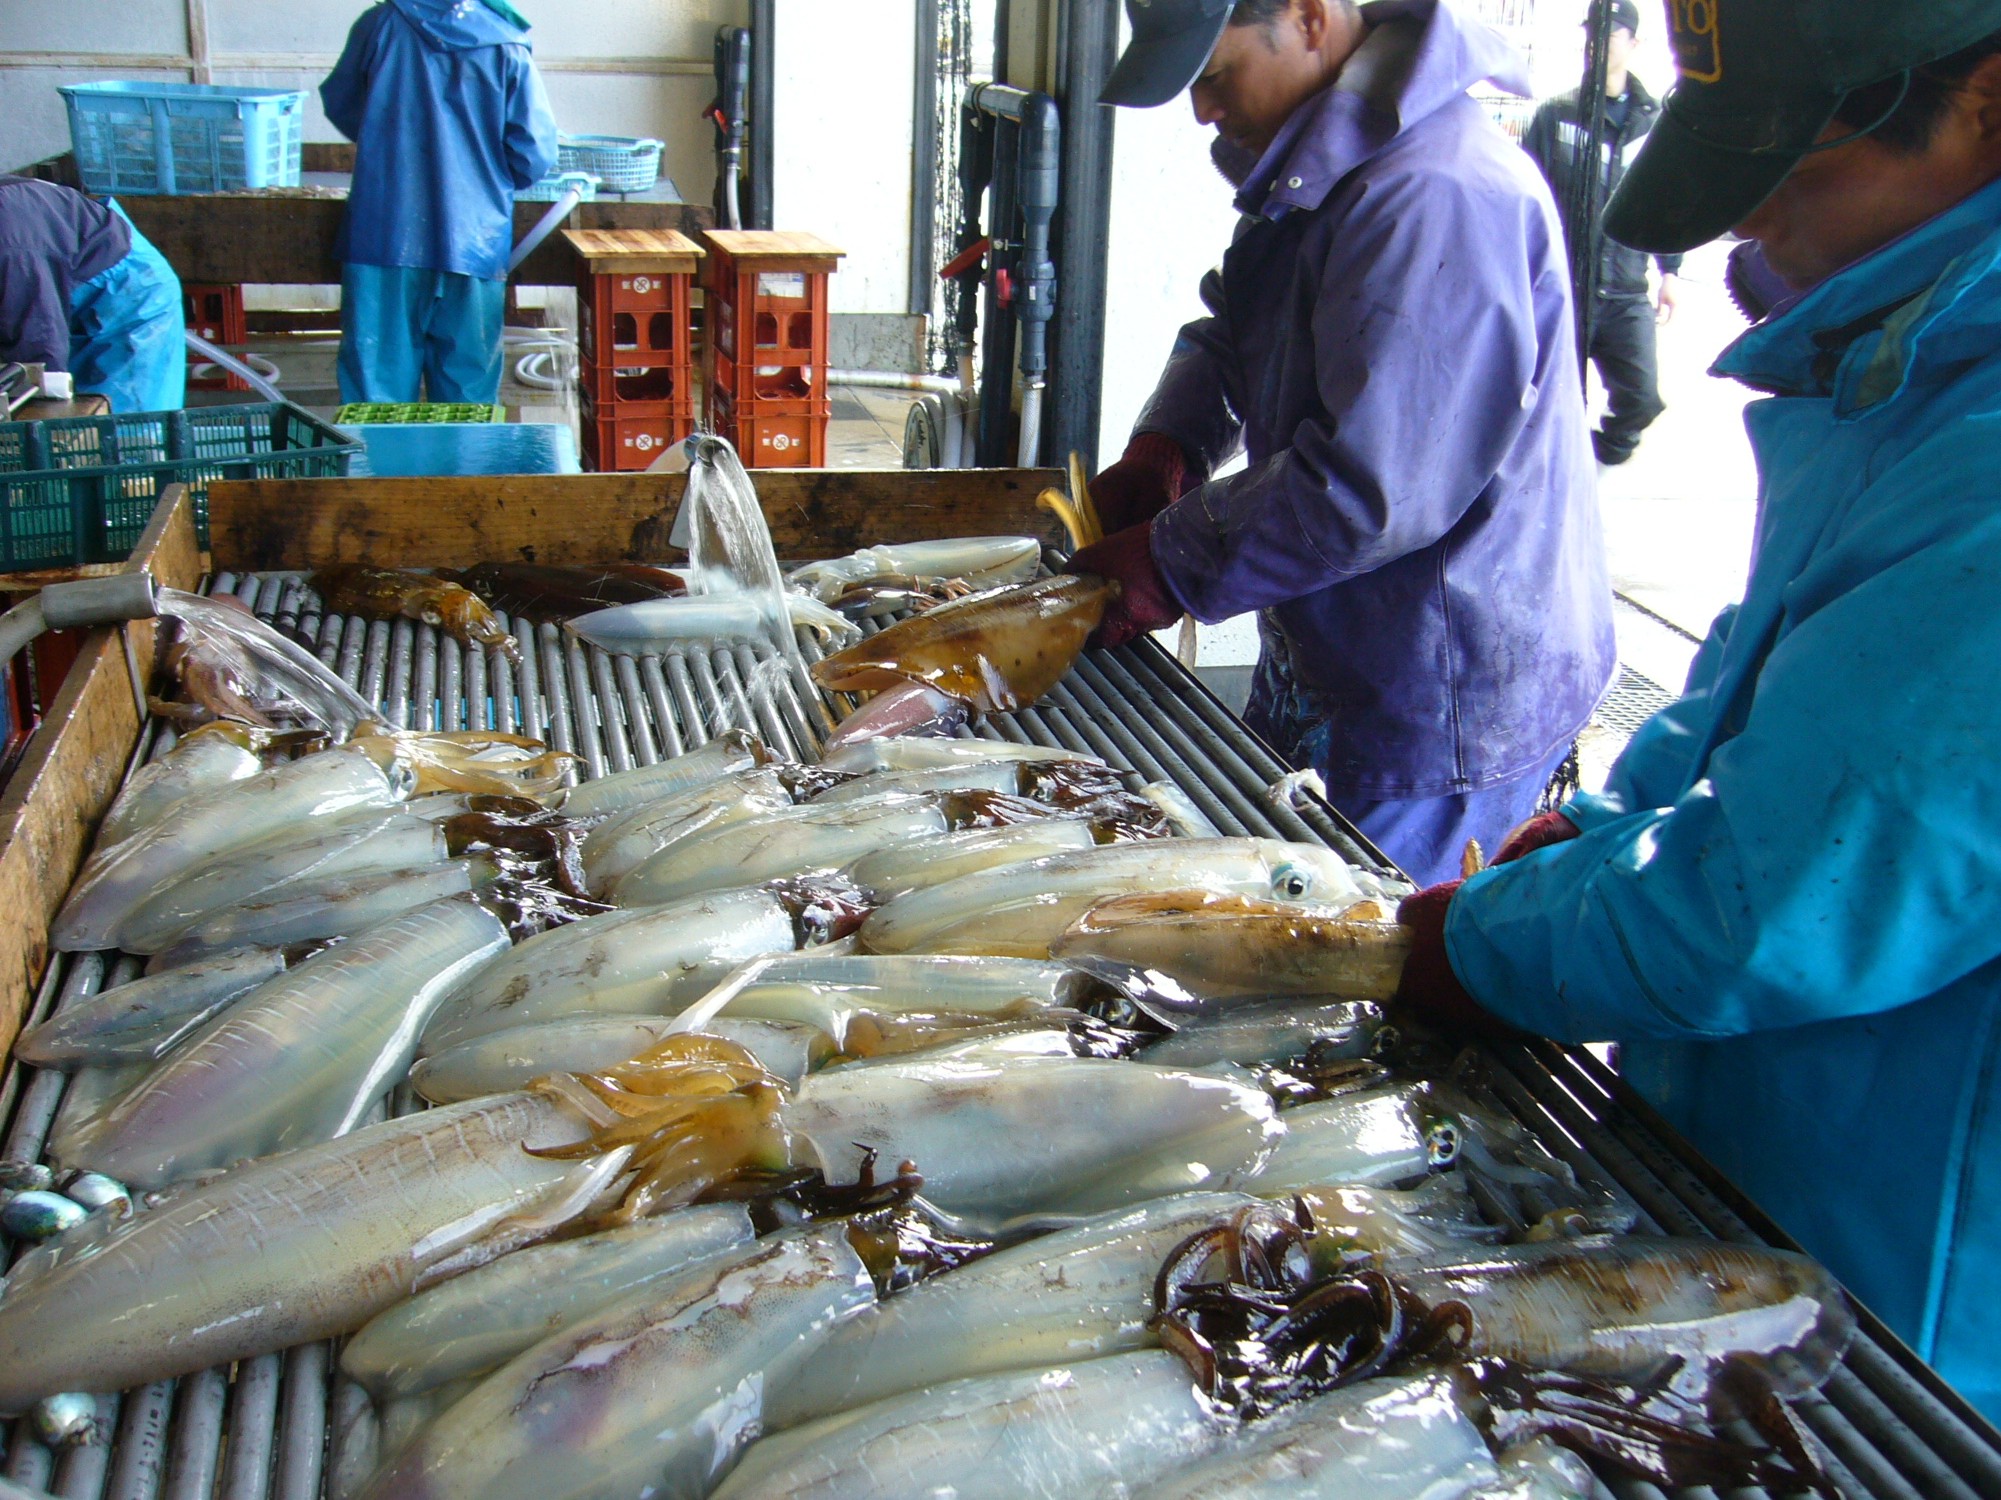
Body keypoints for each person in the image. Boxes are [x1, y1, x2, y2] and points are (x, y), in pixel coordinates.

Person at [1396, 0, 2001, 1423]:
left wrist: (1474, 950)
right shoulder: (1902, 373)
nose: (1748, 218)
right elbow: (1757, 679)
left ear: (1986, 100)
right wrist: (1600, 830)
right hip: (1756, 1183)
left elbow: (1783, 892)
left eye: (1792, 158)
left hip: (1902, 1290)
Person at [1075, 0, 1616, 887]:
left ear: (1308, 16)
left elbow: (1371, 488)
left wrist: (1171, 560)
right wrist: (1168, 441)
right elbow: (1235, 325)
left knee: (1354, 971)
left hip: (1438, 687)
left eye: (1213, 76)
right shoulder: (1318, 163)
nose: (1201, 111)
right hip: (1342, 649)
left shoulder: (1428, 195)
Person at [321, 0, 558, 405]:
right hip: (474, 241)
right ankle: (461, 469)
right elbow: (533, 155)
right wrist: (484, 177)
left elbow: (343, 104)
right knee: (468, 398)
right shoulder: (507, 42)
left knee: (374, 399)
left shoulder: (379, 25)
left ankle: (381, 469)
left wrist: (386, 138)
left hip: (382, 235)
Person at [1521, 0, 1682, 467]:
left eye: (1610, 32)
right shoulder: (1557, 115)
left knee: (1642, 397)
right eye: (1593, 31)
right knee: (1551, 395)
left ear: (1634, 44)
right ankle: (1553, 467)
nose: (1597, 41)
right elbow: (1527, 197)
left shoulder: (1654, 124)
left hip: (1625, 290)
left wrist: (1670, 272)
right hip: (1562, 289)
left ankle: (1606, 451)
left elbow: (1666, 204)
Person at [0, 176, 185, 413]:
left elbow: (39, 350)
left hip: (131, 300)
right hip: (72, 294)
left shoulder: (13, 249)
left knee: (124, 432)